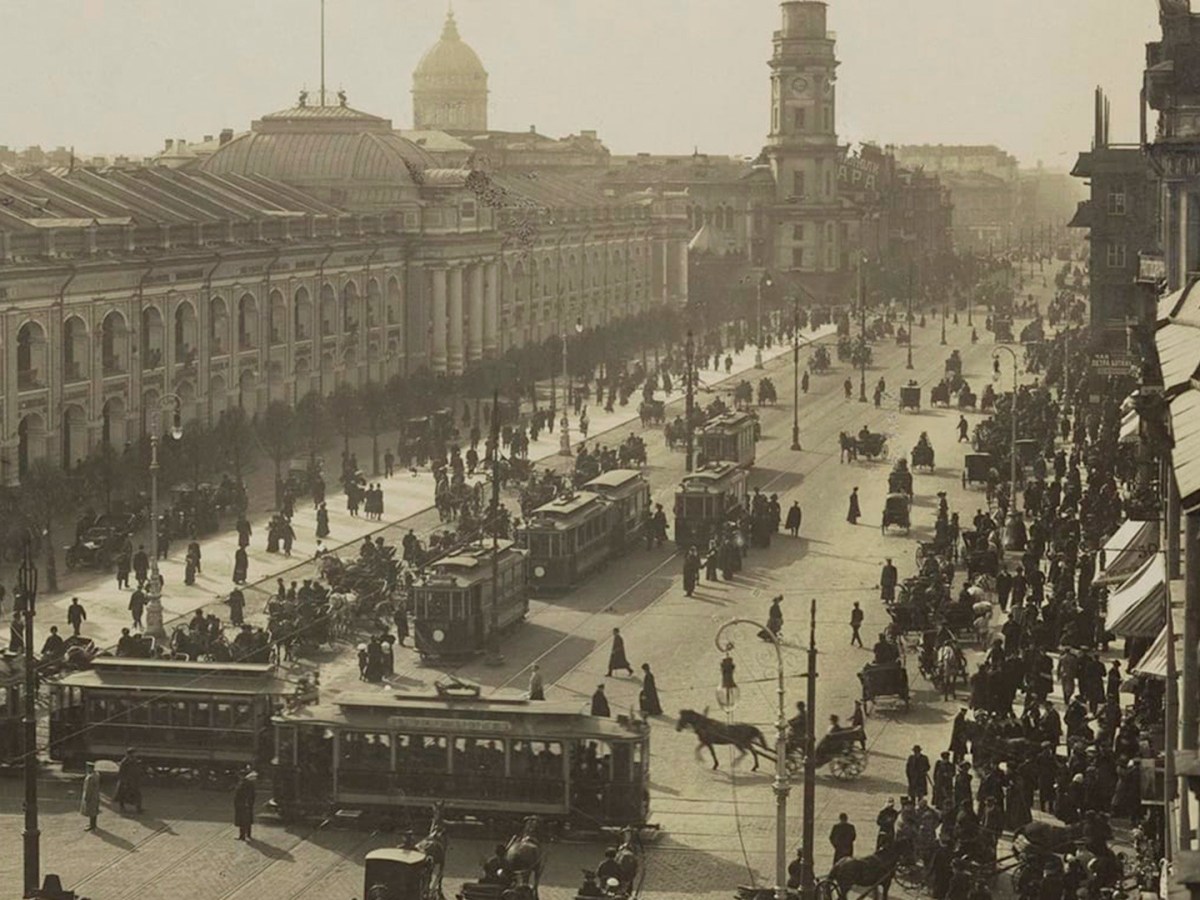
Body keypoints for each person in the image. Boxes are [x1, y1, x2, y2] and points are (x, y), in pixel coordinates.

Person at [115, 748, 143, 814]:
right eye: (134, 753)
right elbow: (121, 772)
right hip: (127, 781)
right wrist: (123, 781)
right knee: (123, 794)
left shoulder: (134, 760)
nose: (135, 754)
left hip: (133, 780)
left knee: (137, 794)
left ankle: (138, 808)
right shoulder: (125, 761)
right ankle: (122, 807)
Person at [234, 770, 257, 840]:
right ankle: (248, 834)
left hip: (243, 804)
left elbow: (248, 794)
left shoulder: (245, 783)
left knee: (243, 820)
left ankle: (242, 835)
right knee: (247, 819)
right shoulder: (248, 783)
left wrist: (246, 802)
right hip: (245, 803)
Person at [81, 761, 101, 832]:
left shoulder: (90, 777)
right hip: (96, 795)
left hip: (91, 796)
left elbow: (89, 789)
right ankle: (94, 825)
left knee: (91, 811)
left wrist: (87, 797)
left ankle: (92, 826)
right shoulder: (96, 775)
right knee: (94, 810)